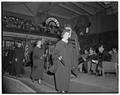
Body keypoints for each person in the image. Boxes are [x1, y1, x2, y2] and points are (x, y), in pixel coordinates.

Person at [52, 28, 72, 93]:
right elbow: (54, 54)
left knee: (66, 77)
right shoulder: (59, 44)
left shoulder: (70, 44)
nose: (67, 35)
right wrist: (58, 57)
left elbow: (71, 54)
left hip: (68, 64)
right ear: (63, 35)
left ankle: (64, 89)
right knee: (61, 77)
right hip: (61, 64)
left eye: (68, 34)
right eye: (66, 34)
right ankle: (61, 90)